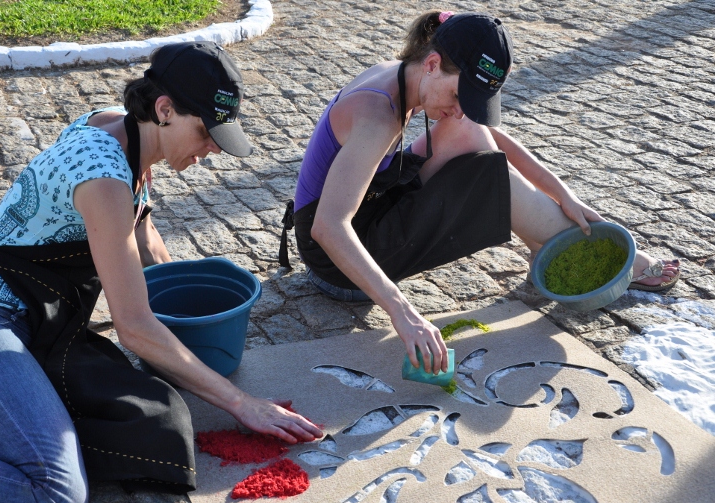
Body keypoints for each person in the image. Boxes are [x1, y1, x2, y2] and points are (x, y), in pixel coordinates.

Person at [0, 42, 322, 503]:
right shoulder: (104, 176)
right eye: (205, 132)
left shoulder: (122, 126)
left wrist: (190, 316)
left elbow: (143, 233)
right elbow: (133, 326)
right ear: (164, 109)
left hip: (37, 323)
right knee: (54, 499)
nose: (213, 149)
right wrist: (241, 403)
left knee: (152, 424)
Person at [280, 11, 681, 376]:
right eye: (459, 96)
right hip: (335, 268)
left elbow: (489, 135)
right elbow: (328, 227)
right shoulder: (376, 118)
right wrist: (405, 314)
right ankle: (570, 246)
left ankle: (548, 243)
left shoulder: (405, 73)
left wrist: (564, 194)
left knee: (471, 133)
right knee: (488, 174)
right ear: (432, 64)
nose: (459, 108)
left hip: (368, 206)